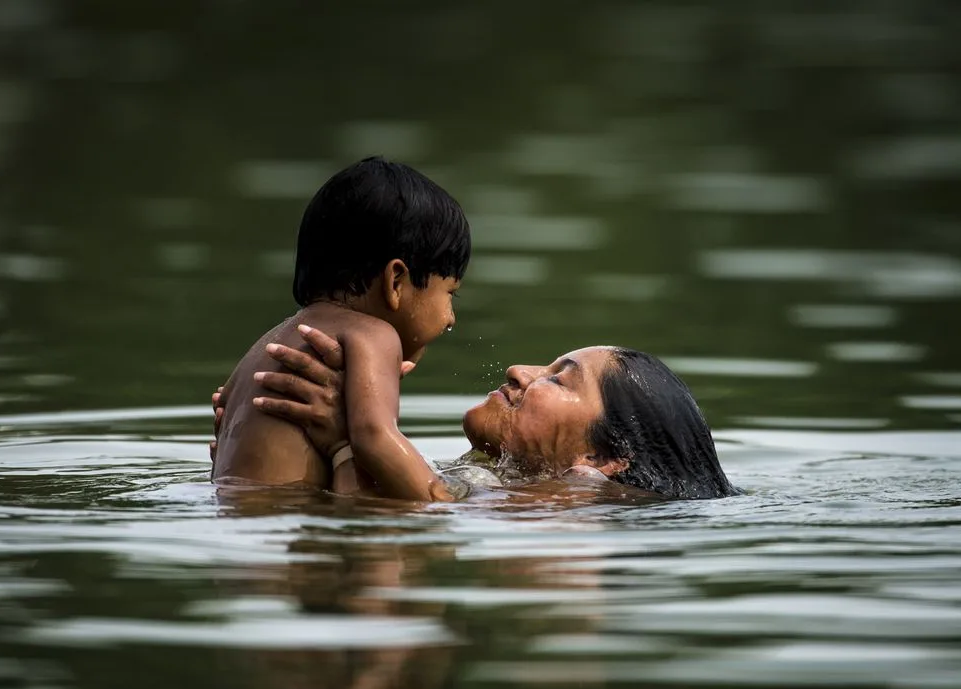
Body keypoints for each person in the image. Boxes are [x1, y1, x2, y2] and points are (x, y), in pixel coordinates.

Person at [212, 326, 739, 501]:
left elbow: (376, 536)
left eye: (558, 378)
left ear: (602, 457)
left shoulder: (563, 517)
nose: (518, 370)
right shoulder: (510, 491)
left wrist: (344, 442)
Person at [211, 157, 470, 502]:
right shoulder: (374, 335)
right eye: (450, 293)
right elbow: (375, 438)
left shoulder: (265, 345)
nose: (451, 318)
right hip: (294, 528)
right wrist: (441, 499)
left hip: (234, 526)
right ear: (396, 281)